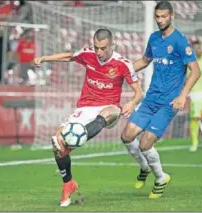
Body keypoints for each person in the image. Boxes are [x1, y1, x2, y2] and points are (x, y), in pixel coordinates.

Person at [34, 29, 143, 207]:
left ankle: (75, 142)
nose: (99, 52)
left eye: (103, 48)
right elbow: (69, 57)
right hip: (85, 108)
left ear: (112, 45)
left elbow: (139, 92)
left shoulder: (123, 64)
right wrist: (44, 58)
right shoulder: (87, 54)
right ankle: (68, 183)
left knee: (110, 113)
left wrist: (131, 103)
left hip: (109, 108)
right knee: (58, 139)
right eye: (96, 47)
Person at [120, 1, 201, 199]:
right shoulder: (154, 38)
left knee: (145, 143)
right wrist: (123, 70)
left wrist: (182, 95)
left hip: (169, 102)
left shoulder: (180, 41)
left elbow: (196, 70)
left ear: (171, 16)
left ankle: (160, 178)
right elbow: (145, 60)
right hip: (150, 99)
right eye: (157, 16)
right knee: (126, 136)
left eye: (164, 16)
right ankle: (144, 167)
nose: (160, 20)